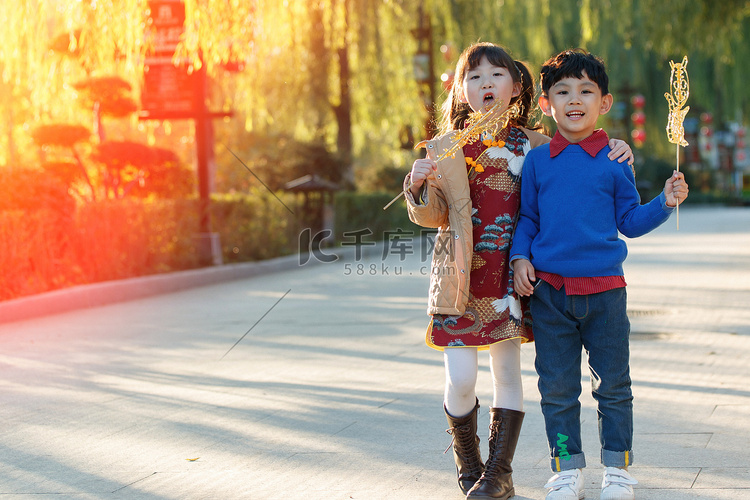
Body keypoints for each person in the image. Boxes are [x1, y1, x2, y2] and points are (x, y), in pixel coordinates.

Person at [404, 42, 634, 500]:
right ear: (460, 90)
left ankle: (498, 474)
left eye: (496, 75)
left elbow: (578, 153)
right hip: (460, 280)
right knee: (461, 377)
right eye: (474, 77)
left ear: (517, 87)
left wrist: (616, 146)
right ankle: (468, 461)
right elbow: (431, 216)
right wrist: (416, 184)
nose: (486, 83)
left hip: (511, 280)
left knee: (508, 373)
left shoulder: (535, 145)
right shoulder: (444, 147)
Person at [510, 49, 689, 500]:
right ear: (546, 104)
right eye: (562, 91)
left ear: (603, 103)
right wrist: (519, 259)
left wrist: (664, 202)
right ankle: (566, 467)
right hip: (549, 292)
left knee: (613, 386)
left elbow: (629, 219)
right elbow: (527, 219)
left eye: (586, 91)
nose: (575, 99)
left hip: (606, 293)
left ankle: (618, 469)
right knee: (557, 388)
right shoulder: (537, 162)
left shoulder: (615, 159)